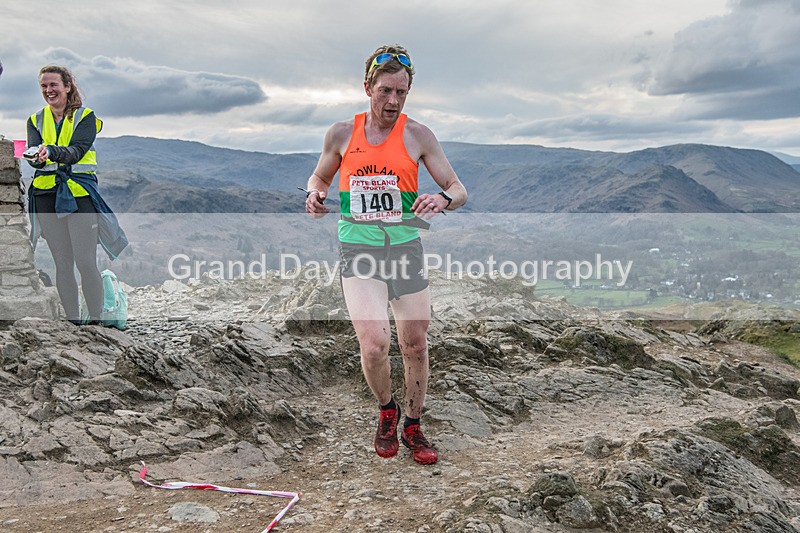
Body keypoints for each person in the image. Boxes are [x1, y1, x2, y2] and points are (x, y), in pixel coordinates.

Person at [305, 45, 467, 465]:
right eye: (385, 91)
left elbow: (458, 189)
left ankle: (413, 423)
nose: (393, 101)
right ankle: (386, 410)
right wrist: (315, 193)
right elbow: (321, 175)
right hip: (359, 249)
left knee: (414, 343)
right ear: (367, 88)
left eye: (402, 92)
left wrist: (441, 200)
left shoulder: (419, 136)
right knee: (375, 345)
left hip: (405, 248)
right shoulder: (342, 133)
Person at [26, 65, 127, 325]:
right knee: (62, 262)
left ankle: (95, 320)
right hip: (46, 196)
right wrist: (36, 158)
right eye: (44, 86)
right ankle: (72, 321)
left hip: (79, 195)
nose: (48, 90)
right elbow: (34, 156)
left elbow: (77, 152)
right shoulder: (35, 120)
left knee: (84, 261)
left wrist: (50, 151)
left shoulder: (86, 117)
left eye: (53, 85)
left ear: (67, 86)